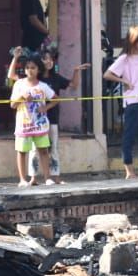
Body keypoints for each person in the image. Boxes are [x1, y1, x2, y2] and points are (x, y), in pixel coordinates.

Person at [103, 26, 138, 179]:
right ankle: (129, 170)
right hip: (133, 100)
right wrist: (124, 80)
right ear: (134, 41)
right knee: (130, 135)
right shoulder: (124, 58)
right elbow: (108, 74)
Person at [35, 46, 88, 183]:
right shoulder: (35, 79)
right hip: (35, 121)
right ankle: (33, 178)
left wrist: (76, 71)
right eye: (45, 59)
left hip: (52, 119)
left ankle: (56, 176)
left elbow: (73, 84)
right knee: (34, 150)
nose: (48, 61)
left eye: (51, 59)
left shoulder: (56, 78)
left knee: (53, 149)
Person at [9, 54, 58, 186]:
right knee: (22, 151)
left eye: (33, 68)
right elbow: (12, 105)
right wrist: (22, 97)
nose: (30, 70)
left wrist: (45, 108)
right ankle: (22, 179)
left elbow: (56, 99)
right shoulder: (19, 84)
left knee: (43, 150)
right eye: (27, 68)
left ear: (39, 70)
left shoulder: (43, 86)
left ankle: (47, 178)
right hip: (24, 125)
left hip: (40, 124)